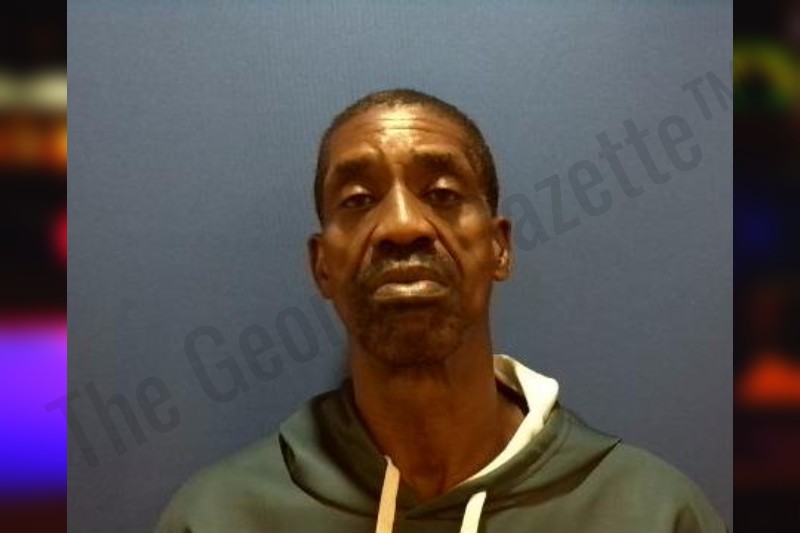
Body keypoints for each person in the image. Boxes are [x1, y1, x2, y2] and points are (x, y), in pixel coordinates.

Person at [156, 89, 726, 533]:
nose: (402, 225)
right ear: (322, 266)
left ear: (499, 248)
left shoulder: (652, 512)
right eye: (358, 201)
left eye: (444, 194)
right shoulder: (217, 517)